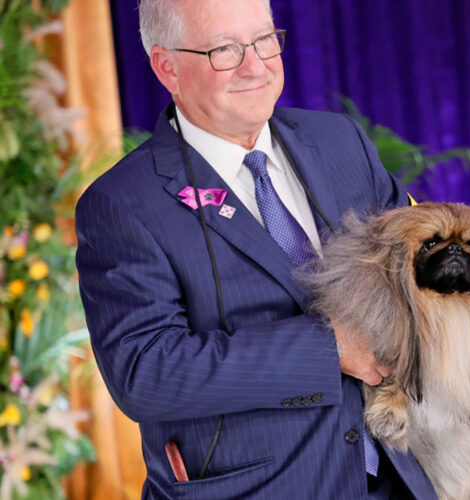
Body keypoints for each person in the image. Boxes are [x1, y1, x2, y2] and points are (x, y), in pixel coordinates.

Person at [75, 0, 437, 498]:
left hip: (402, 478)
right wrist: (328, 348)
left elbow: (418, 262)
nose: (255, 65)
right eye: (225, 49)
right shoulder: (122, 203)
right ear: (167, 67)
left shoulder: (339, 140)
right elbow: (145, 371)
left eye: (264, 39)